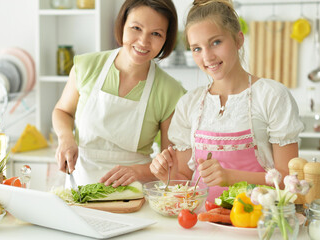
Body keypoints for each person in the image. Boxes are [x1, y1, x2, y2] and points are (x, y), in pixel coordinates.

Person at [150, 0, 304, 202]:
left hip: (255, 219)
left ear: (238, 40)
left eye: (215, 42)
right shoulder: (189, 103)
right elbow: (185, 181)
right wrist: (167, 176)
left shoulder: (272, 96)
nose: (207, 57)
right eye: (196, 48)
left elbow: (290, 180)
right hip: (202, 220)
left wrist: (231, 177)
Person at [52, 0, 186, 188]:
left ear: (166, 39)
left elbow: (171, 165)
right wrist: (65, 138)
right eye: (136, 28)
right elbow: (62, 111)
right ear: (122, 25)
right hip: (79, 188)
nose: (143, 41)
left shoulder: (170, 92)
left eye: (156, 33)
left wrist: (137, 171)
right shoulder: (87, 66)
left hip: (134, 193)